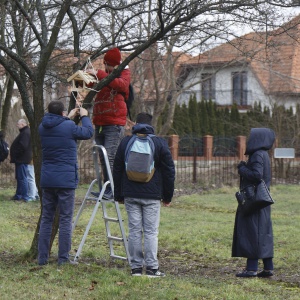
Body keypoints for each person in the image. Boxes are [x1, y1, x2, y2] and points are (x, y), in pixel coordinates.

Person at [113, 112, 175, 277]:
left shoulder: (126, 142)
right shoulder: (159, 143)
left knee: (134, 231)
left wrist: (118, 194)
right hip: (152, 195)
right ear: (151, 124)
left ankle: (136, 268)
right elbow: (169, 171)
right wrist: (168, 196)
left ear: (135, 124)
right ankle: (152, 269)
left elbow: (117, 169)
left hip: (130, 194)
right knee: (150, 232)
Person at [38, 100, 94, 266]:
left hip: (48, 179)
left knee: (46, 219)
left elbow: (58, 127)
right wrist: (84, 116)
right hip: (66, 181)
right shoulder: (68, 127)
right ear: (62, 112)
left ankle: (42, 258)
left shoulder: (42, 127)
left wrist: (68, 117)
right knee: (65, 219)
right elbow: (88, 132)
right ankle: (63, 259)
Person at [87, 47, 130, 198]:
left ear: (116, 65)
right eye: (106, 64)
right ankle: (107, 188)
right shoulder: (104, 74)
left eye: (109, 65)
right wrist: (84, 77)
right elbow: (89, 86)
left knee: (110, 157)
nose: (107, 67)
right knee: (102, 157)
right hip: (100, 122)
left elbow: (121, 85)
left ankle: (113, 189)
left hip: (114, 123)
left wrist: (99, 74)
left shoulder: (123, 73)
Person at [232, 128, 276, 278]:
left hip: (254, 200)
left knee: (253, 232)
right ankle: (268, 268)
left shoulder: (257, 154)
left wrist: (242, 168)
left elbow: (257, 175)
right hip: (262, 199)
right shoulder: (264, 154)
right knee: (263, 233)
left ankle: (251, 269)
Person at [10, 119, 33, 202]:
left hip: (22, 159)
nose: (17, 125)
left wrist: (16, 154)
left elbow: (23, 146)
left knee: (22, 178)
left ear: (23, 124)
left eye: (18, 124)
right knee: (19, 178)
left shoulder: (26, 133)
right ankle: (18, 195)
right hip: (20, 159)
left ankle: (24, 197)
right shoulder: (24, 132)